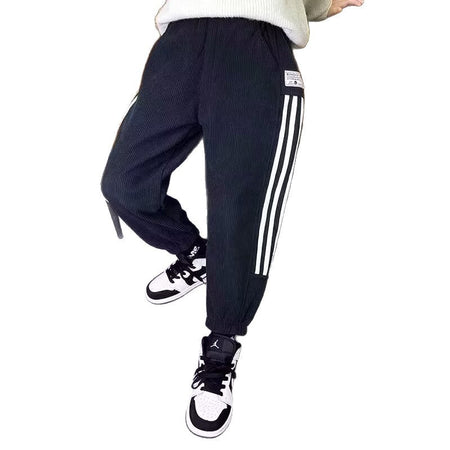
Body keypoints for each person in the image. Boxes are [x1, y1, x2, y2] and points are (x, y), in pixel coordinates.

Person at [101, 0, 364, 438]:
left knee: (239, 209)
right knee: (124, 182)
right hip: (181, 39)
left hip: (256, 45)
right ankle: (194, 253)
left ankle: (222, 343)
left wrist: (318, 4)